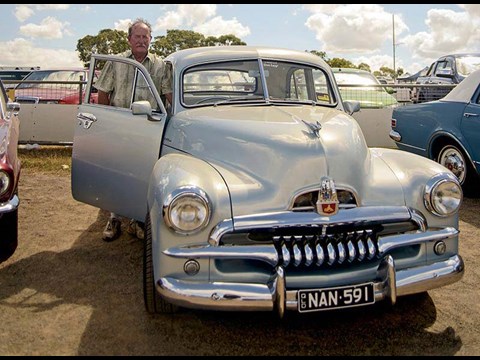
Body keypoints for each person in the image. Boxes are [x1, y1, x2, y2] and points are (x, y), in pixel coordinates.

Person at [95, 18, 172, 242]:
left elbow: (168, 95)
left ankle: (138, 219)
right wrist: (105, 121)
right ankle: (114, 217)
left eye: (144, 37)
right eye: (136, 37)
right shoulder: (116, 62)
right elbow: (103, 93)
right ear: (129, 39)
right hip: (120, 126)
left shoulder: (160, 65)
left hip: (149, 129)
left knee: (144, 174)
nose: (141, 41)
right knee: (116, 170)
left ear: (150, 40)